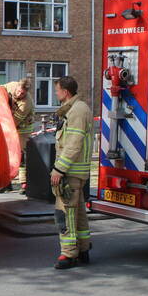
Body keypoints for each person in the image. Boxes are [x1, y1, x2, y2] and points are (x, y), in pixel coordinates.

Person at [49, 76, 93, 270]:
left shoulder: (76, 111)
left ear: (65, 92)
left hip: (71, 172)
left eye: (57, 90)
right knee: (79, 213)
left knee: (65, 213)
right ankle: (83, 249)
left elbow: (73, 144)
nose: (56, 93)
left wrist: (59, 169)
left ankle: (69, 254)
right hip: (77, 172)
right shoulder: (78, 109)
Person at [4, 78, 35, 189]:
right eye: (18, 91)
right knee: (6, 155)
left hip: (23, 130)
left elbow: (14, 122)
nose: (19, 94)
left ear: (26, 92)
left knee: (21, 155)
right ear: (17, 86)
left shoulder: (26, 103)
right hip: (10, 126)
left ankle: (24, 183)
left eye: (22, 93)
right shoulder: (11, 85)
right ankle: (6, 183)